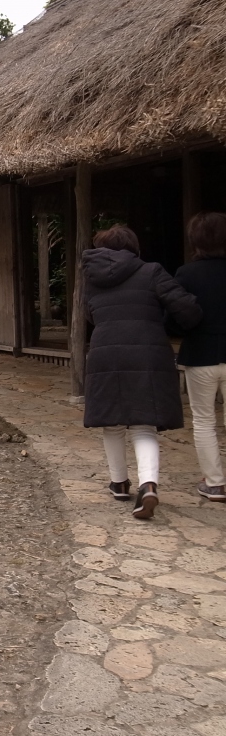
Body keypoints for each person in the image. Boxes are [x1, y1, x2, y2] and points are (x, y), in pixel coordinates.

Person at [82, 224, 200, 519]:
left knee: (111, 421)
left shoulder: (91, 278)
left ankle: (119, 483)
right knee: (143, 423)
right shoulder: (151, 271)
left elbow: (90, 314)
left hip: (105, 352)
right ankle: (148, 485)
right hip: (148, 351)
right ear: (134, 248)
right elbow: (185, 307)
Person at [174, 211, 226, 502]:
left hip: (200, 353)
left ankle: (215, 483)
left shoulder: (186, 274)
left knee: (204, 420)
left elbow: (176, 317)